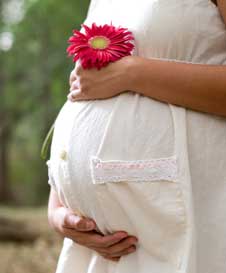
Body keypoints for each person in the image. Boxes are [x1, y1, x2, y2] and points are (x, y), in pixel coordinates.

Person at [47, 0, 226, 272]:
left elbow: (115, 78)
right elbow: (85, 87)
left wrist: (132, 73)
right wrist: (58, 209)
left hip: (189, 225)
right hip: (98, 254)